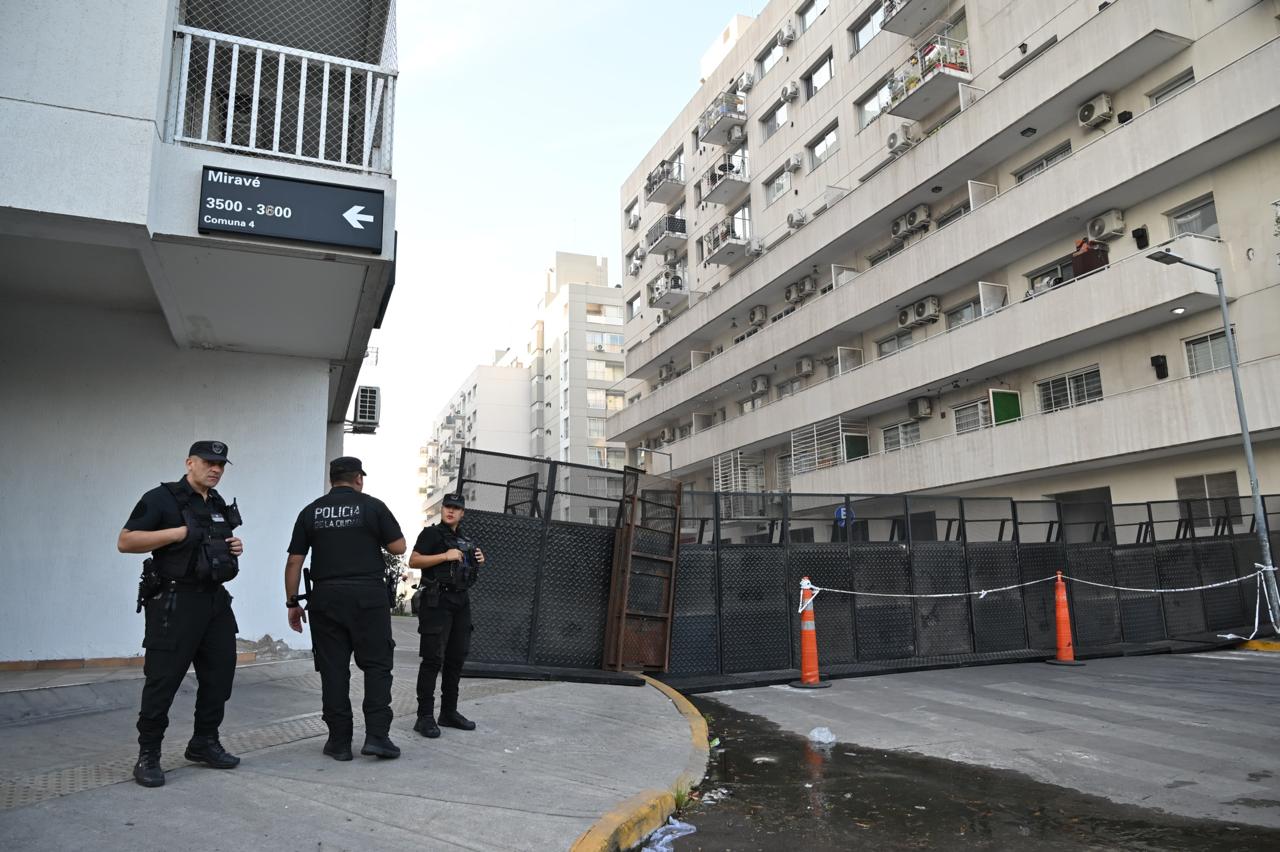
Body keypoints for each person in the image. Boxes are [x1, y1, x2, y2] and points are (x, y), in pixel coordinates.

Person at [117, 440, 244, 788]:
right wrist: (176, 533)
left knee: (220, 676)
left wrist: (234, 547)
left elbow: (214, 547)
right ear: (190, 462)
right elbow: (126, 541)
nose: (215, 469)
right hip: (175, 601)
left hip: (215, 602)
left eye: (221, 464)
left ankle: (204, 742)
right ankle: (148, 755)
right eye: (208, 462)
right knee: (163, 681)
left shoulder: (217, 503)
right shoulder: (162, 498)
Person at [284, 457, 407, 761]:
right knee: (377, 666)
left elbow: (294, 562)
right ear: (359, 479)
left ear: (331, 479)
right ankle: (378, 737)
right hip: (368, 596)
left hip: (325, 598)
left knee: (333, 669)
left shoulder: (311, 511)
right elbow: (399, 547)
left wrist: (292, 602)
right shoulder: (373, 507)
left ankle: (339, 742)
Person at [409, 493, 485, 738]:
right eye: (447, 507)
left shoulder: (464, 539)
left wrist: (478, 561)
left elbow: (465, 570)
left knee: (456, 658)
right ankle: (425, 717)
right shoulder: (431, 534)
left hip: (461, 601)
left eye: (456, 508)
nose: (451, 511)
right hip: (437, 600)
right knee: (432, 659)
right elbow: (414, 561)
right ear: (442, 510)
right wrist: (444, 555)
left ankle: (449, 712)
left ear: (463, 513)